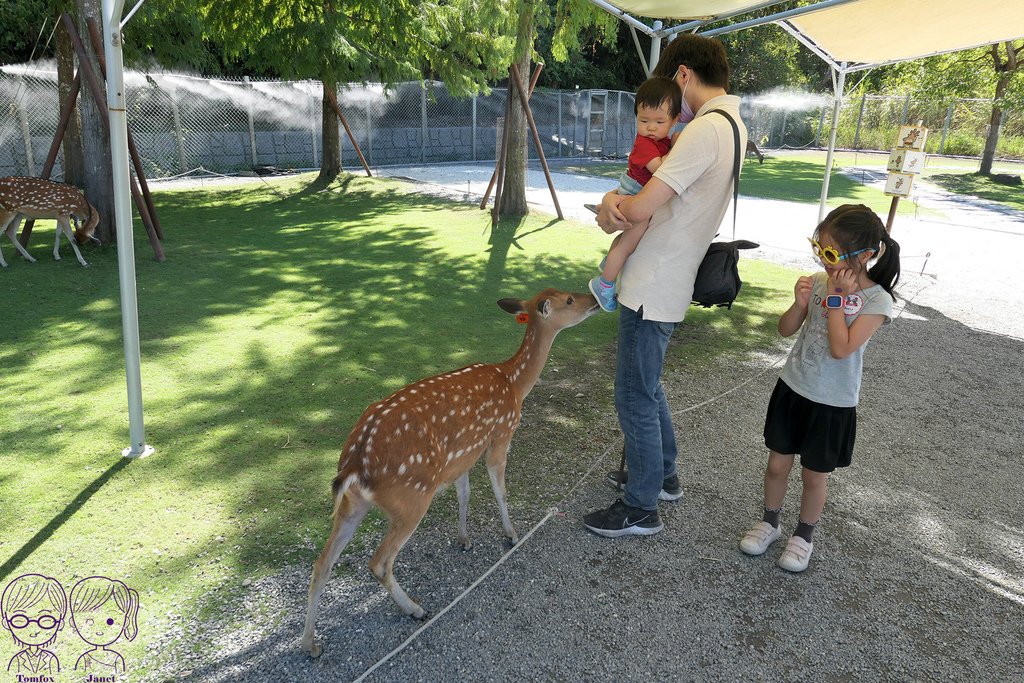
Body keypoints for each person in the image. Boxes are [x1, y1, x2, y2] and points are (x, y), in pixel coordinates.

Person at [583, 33, 747, 537]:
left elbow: (639, 206)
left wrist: (610, 206)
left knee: (633, 393)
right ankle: (664, 476)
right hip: (666, 274)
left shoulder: (703, 131)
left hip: (654, 279)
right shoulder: (731, 124)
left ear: (681, 75)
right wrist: (620, 198)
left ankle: (640, 504)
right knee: (646, 386)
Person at [739, 204, 901, 572]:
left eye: (830, 253)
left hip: (832, 402)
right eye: (819, 249)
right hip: (793, 388)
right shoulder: (817, 280)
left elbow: (841, 348)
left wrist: (837, 300)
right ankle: (770, 522)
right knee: (777, 463)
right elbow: (785, 330)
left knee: (815, 474)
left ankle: (803, 536)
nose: (823, 260)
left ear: (864, 256)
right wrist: (799, 304)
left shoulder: (878, 301)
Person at [588, 76, 681, 312]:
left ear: (674, 121)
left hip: (634, 191)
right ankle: (605, 284)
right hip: (634, 195)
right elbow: (662, 170)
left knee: (622, 243)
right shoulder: (645, 144)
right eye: (644, 120)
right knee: (627, 246)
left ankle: (610, 265)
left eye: (659, 121)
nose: (650, 127)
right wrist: (678, 148)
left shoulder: (661, 141)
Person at [70, 576, 139, 674]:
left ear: (126, 622)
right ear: (73, 622)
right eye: (90, 622)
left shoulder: (117, 658)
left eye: (110, 621)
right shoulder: (84, 658)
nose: (99, 630)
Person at [2, 573, 67, 674]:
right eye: (19, 620)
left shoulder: (52, 660)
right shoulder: (17, 660)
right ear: (6, 623)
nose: (33, 631)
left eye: (46, 620)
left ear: (60, 624)